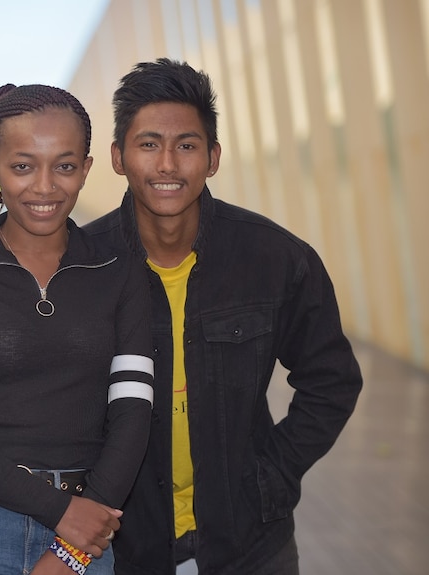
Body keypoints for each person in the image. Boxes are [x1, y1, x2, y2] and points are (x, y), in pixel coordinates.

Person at [84, 58, 363, 574]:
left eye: (186, 146)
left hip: (251, 544)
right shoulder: (82, 265)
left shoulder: (274, 259)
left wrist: (273, 476)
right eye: (148, 144)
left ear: (212, 158)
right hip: (123, 547)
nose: (167, 164)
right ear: (118, 157)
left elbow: (333, 380)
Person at [0, 83, 155, 575]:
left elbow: (133, 416)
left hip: (88, 525)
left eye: (64, 166)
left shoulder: (121, 272)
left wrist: (74, 547)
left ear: (85, 168)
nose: (45, 187)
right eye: (23, 166)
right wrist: (59, 511)